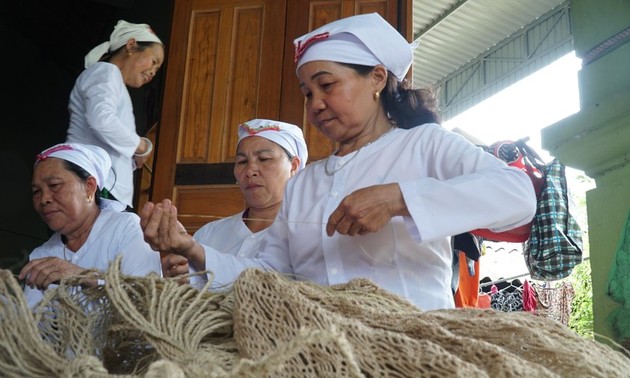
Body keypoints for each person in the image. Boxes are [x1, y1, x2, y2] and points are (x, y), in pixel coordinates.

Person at [141, 12, 537, 311]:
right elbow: (268, 275)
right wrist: (192, 249)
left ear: (378, 78)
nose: (315, 104)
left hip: (412, 340)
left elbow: (518, 197)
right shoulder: (303, 184)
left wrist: (400, 199)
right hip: (322, 349)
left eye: (327, 85)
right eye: (307, 92)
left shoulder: (424, 145)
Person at [162, 119, 308, 283]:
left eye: (264, 159)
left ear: (294, 166)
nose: (250, 170)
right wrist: (181, 276)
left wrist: (196, 253)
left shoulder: (306, 234)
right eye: (242, 162)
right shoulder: (209, 234)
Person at [19, 143, 161, 309]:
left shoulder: (125, 227)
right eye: (36, 191)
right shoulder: (42, 255)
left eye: (54, 185)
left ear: (89, 188)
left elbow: (148, 301)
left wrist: (83, 276)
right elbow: (34, 325)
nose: (44, 199)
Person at [66, 20, 165, 210]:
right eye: (154, 62)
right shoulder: (106, 71)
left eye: (157, 70)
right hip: (97, 186)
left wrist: (134, 158)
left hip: (105, 187)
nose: (153, 72)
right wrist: (140, 145)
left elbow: (110, 142)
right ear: (131, 45)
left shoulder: (114, 83)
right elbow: (102, 119)